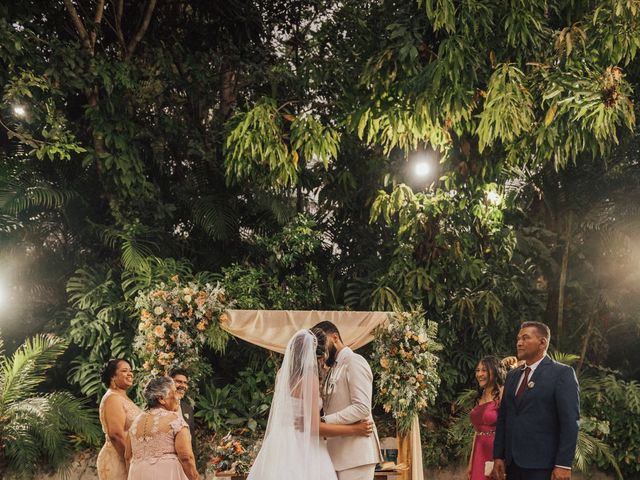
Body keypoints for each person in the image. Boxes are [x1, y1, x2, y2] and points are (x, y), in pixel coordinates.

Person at [247, 328, 373, 480]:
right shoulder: (309, 378)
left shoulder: (283, 374)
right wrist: (355, 429)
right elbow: (313, 428)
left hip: (280, 444)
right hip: (304, 446)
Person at [492, 321, 580, 480]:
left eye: (525, 338)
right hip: (512, 464)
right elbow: (504, 417)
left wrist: (563, 464)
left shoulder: (562, 373)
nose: (519, 343)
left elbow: (569, 422)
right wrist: (498, 455)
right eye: (518, 338)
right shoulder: (512, 376)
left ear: (542, 342)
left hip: (543, 466)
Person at [313, 321, 384, 480]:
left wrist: (324, 421)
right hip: (336, 453)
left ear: (335, 337)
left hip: (356, 455)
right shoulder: (333, 368)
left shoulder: (355, 361)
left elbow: (361, 407)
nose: (320, 350)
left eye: (322, 344)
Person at [126, 376, 199, 480]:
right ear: (161, 399)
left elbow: (127, 457)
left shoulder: (135, 422)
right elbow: (186, 457)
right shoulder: (175, 420)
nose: (178, 396)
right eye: (174, 392)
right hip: (167, 474)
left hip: (136, 474)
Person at [97, 359, 143, 480]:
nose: (130, 374)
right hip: (119, 459)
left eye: (130, 371)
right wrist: (131, 461)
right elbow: (116, 435)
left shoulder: (122, 397)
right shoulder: (112, 398)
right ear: (113, 376)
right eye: (124, 371)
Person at [467, 356, 506, 480]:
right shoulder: (479, 396)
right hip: (478, 450)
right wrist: (471, 462)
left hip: (496, 450)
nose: (479, 374)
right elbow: (476, 432)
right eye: (477, 370)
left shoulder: (502, 393)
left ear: (494, 371)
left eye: (484, 370)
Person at [170, 368, 196, 453]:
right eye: (178, 382)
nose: (183, 386)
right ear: (170, 383)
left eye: (185, 383)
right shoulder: (161, 407)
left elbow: (192, 439)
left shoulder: (188, 409)